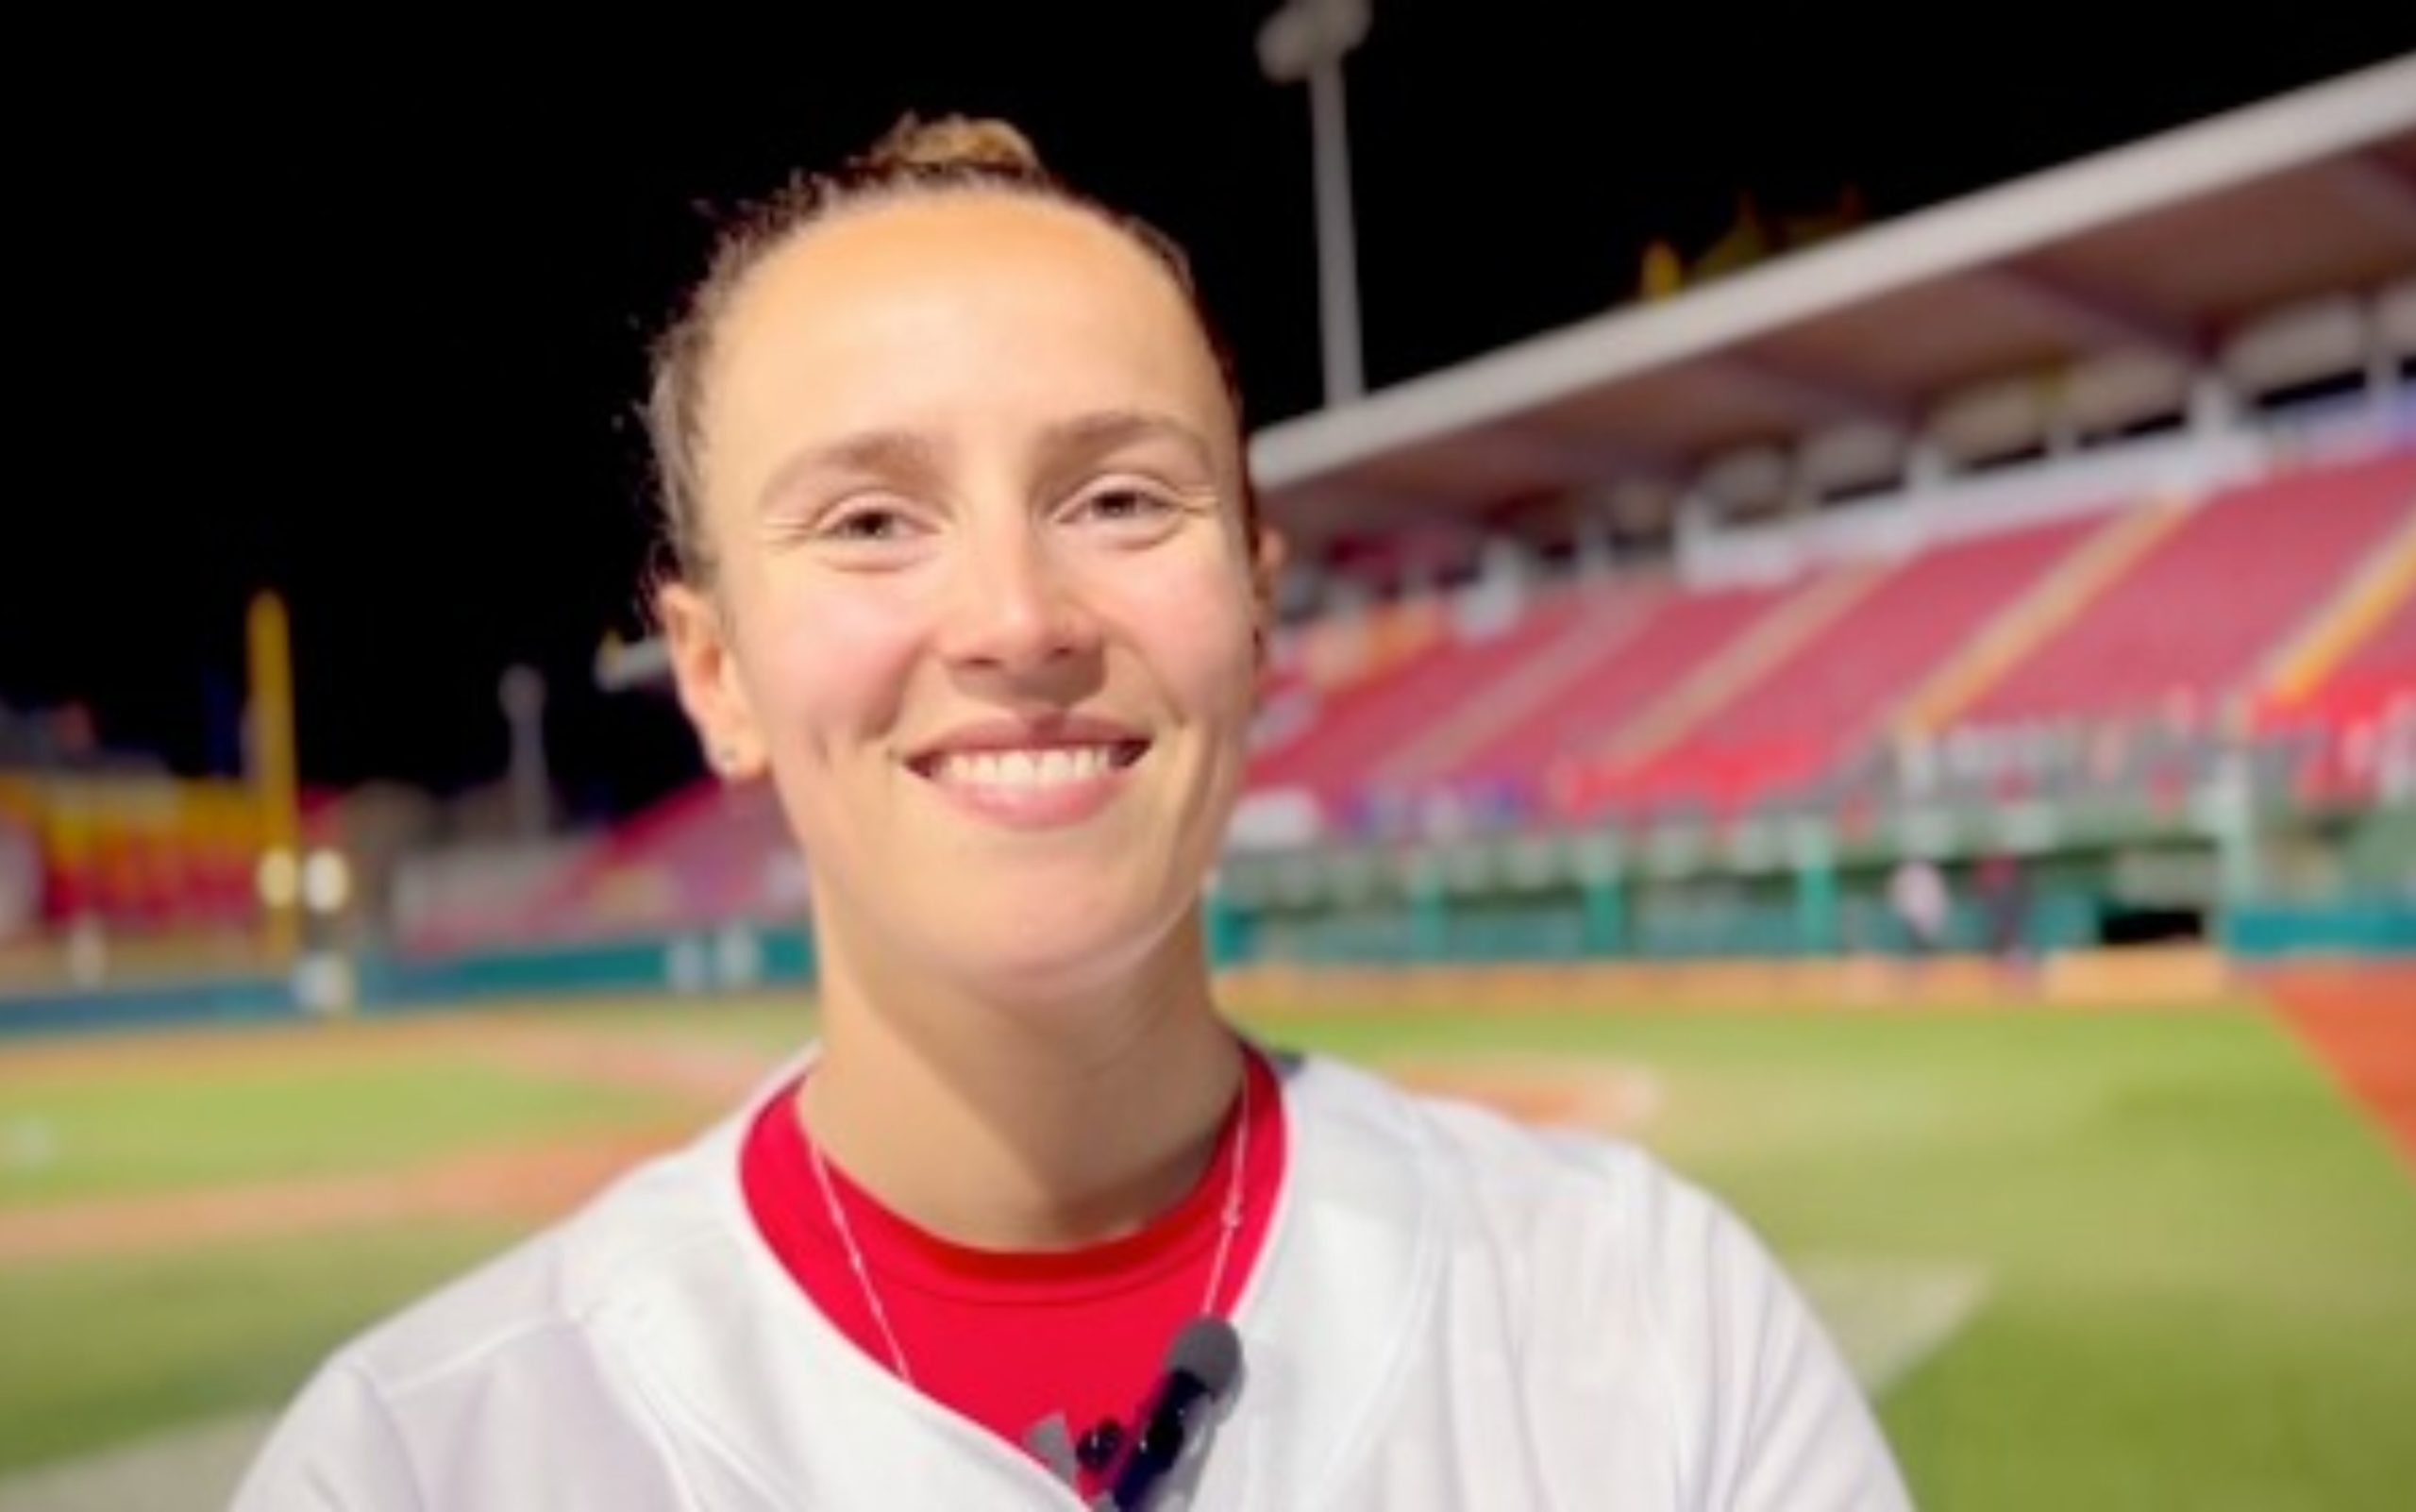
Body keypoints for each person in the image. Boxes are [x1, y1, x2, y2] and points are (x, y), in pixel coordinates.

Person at [234, 115, 1909, 1510]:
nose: (1019, 619)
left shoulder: (1658, 1328)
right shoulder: (415, 1462)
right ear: (716, 671)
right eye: (872, 520)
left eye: (1118, 497)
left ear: (1255, 608)